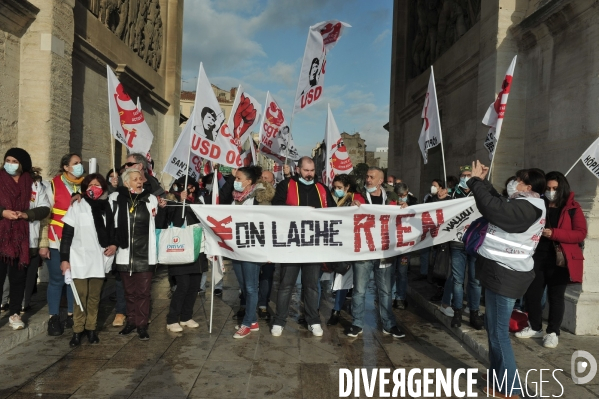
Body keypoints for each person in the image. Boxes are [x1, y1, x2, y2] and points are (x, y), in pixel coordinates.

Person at [468, 162, 546, 398]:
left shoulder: (528, 208)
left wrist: (474, 183)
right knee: (494, 330)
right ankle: (497, 377)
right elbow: (499, 203)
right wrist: (483, 183)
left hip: (507, 275)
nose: (514, 181)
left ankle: (511, 389)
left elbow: (494, 209)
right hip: (500, 272)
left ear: (528, 186)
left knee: (500, 333)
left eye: (519, 179)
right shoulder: (525, 203)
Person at [516, 171, 587, 348]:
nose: (551, 191)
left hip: (560, 259)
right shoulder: (539, 204)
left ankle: (553, 332)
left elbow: (580, 233)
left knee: (556, 296)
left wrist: (554, 233)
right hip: (537, 256)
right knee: (533, 294)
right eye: (548, 188)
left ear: (562, 188)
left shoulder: (572, 207)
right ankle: (535, 326)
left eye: (555, 188)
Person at [271, 156, 335, 337]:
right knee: (286, 285)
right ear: (298, 169)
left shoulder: (322, 188)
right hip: (291, 244)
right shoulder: (286, 185)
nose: (309, 174)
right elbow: (276, 206)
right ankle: (279, 320)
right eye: (306, 170)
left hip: (313, 245)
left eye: (312, 170)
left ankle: (313, 320)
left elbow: (334, 212)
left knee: (311, 286)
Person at [345, 167, 405, 339]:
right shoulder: (358, 197)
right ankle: (357, 324)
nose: (368, 180)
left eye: (372, 177)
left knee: (386, 291)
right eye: (367, 176)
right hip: (364, 252)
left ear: (381, 181)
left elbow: (400, 219)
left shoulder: (391, 200)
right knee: (359, 290)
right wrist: (351, 208)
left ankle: (389, 324)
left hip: (384, 252)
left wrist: (404, 208)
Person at [59, 174, 117, 346]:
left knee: (94, 297)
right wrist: (64, 259)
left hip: (100, 258)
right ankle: (78, 330)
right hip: (79, 258)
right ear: (85, 188)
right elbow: (67, 235)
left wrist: (114, 244)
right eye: (90, 184)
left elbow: (113, 231)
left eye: (97, 184)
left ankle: (91, 329)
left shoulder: (108, 207)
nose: (94, 187)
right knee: (80, 296)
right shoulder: (77, 205)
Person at [221, 166, 275, 338]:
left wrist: (267, 251)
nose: (236, 182)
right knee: (244, 285)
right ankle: (252, 320)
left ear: (249, 182)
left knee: (251, 286)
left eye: (238, 179)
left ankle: (246, 323)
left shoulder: (259, 199)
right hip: (236, 248)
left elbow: (267, 226)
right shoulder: (235, 198)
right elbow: (220, 201)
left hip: (252, 248)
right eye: (235, 178)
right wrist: (230, 179)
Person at [0, 149, 50, 330]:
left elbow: (45, 208)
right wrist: (3, 212)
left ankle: (14, 313)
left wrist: (27, 214)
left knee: (18, 279)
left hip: (23, 241)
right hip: (2, 238)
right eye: (7, 160)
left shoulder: (34, 185)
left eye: (14, 161)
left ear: (22, 164)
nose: (10, 164)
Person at [110, 168, 160, 341]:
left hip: (145, 252)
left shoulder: (150, 199)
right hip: (125, 252)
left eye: (140, 179)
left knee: (143, 292)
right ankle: (130, 321)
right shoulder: (116, 198)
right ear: (126, 182)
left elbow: (156, 218)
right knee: (129, 292)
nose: (139, 181)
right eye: (135, 179)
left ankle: (142, 324)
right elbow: (110, 220)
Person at [40, 153, 84, 336]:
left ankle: (71, 315)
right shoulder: (53, 185)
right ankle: (54, 317)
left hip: (78, 241)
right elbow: (45, 215)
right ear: (66, 167)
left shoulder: (85, 185)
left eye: (80, 163)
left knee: (73, 279)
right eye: (75, 163)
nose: (79, 166)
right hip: (56, 240)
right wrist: (43, 243)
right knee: (58, 279)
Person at [156, 179, 204, 334]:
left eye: (191, 188)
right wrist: (181, 203)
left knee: (194, 286)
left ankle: (186, 316)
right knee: (182, 285)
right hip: (179, 249)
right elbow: (171, 223)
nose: (189, 191)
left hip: (198, 249)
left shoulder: (199, 202)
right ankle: (172, 319)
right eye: (185, 188)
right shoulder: (171, 203)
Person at [443, 165, 484, 330]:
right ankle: (457, 312)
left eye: (469, 175)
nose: (466, 178)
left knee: (475, 281)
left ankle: (474, 312)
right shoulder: (452, 194)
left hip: (475, 243)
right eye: (463, 175)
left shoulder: (479, 192)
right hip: (457, 243)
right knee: (458, 281)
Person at [327, 174, 365, 326]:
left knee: (358, 282)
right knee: (341, 278)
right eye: (335, 187)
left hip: (356, 245)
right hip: (341, 244)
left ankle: (355, 314)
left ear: (347, 187)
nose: (337, 190)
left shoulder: (357, 199)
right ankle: (336, 310)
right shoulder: (332, 199)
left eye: (339, 188)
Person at [392, 183, 418, 309]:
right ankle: (390, 296)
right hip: (391, 243)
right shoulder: (390, 202)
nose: (401, 198)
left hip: (405, 244)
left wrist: (409, 208)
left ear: (407, 192)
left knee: (402, 272)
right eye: (399, 195)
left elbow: (419, 216)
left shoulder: (414, 202)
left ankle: (400, 298)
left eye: (403, 195)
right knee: (390, 272)